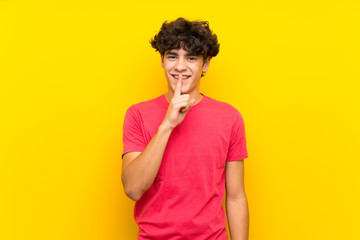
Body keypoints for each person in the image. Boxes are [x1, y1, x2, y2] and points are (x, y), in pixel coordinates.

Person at [122, 17, 249, 240]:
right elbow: (133, 189)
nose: (180, 66)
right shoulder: (137, 115)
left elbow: (236, 197)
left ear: (205, 64)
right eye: (172, 56)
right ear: (162, 61)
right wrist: (167, 126)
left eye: (191, 58)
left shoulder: (230, 118)